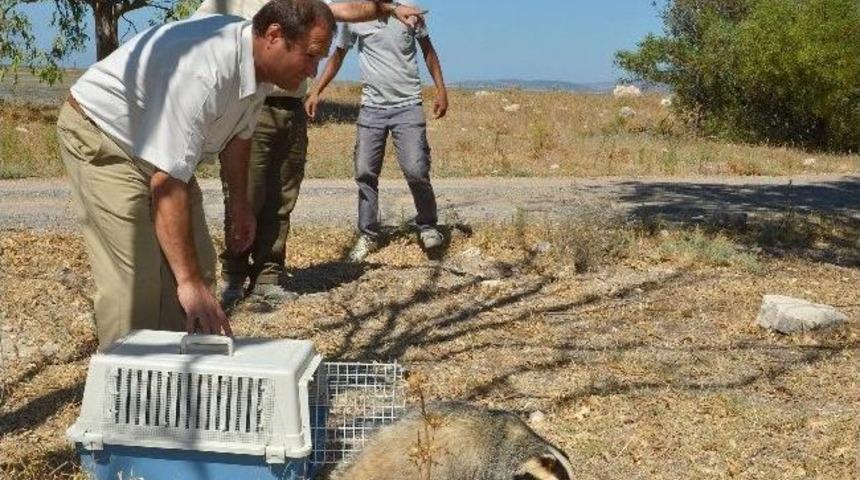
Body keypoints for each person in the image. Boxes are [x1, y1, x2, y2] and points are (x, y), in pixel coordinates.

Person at [57, 0, 335, 349]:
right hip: (106, 136)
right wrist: (186, 283)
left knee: (200, 266)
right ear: (274, 36)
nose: (314, 70)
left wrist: (239, 205)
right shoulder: (206, 70)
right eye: (311, 55)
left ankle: (177, 374)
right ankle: (128, 389)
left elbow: (239, 134)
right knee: (136, 282)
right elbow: (167, 184)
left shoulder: (260, 68)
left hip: (158, 149)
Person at [193, 0, 426, 308]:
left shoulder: (302, 4)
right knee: (246, 193)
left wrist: (390, 8)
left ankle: (268, 277)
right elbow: (197, 30)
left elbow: (341, 10)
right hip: (253, 105)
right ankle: (234, 277)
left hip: (292, 109)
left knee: (282, 195)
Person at [305, 0, 447, 262]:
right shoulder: (355, 15)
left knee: (416, 169)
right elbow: (338, 55)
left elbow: (428, 51)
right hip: (372, 108)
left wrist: (441, 90)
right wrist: (316, 91)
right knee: (364, 173)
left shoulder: (410, 10)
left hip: (408, 106)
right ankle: (369, 233)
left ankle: (428, 225)